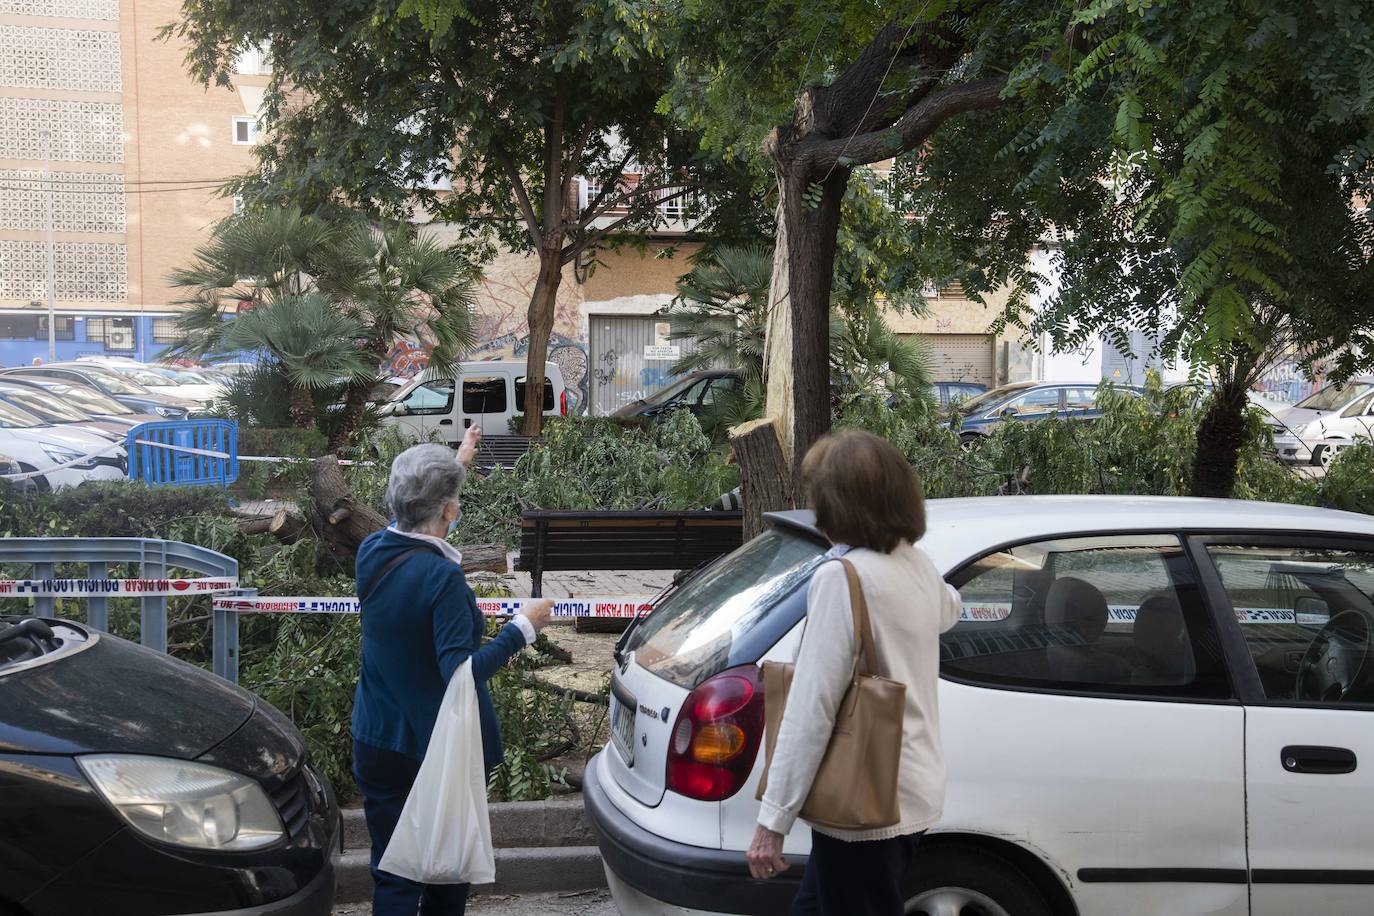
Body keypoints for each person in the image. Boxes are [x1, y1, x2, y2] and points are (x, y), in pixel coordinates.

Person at [746, 429, 962, 915]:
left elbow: (812, 706)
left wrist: (772, 821)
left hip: (864, 800)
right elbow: (950, 608)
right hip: (908, 789)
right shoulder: (916, 565)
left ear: (835, 505)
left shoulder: (841, 578)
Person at [352, 426, 553, 916]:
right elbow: (461, 672)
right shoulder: (441, 577)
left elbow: (415, 516)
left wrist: (456, 464)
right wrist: (522, 628)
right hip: (434, 746)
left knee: (392, 871)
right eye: (453, 503)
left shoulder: (372, 551)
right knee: (445, 873)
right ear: (448, 511)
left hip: (376, 737)